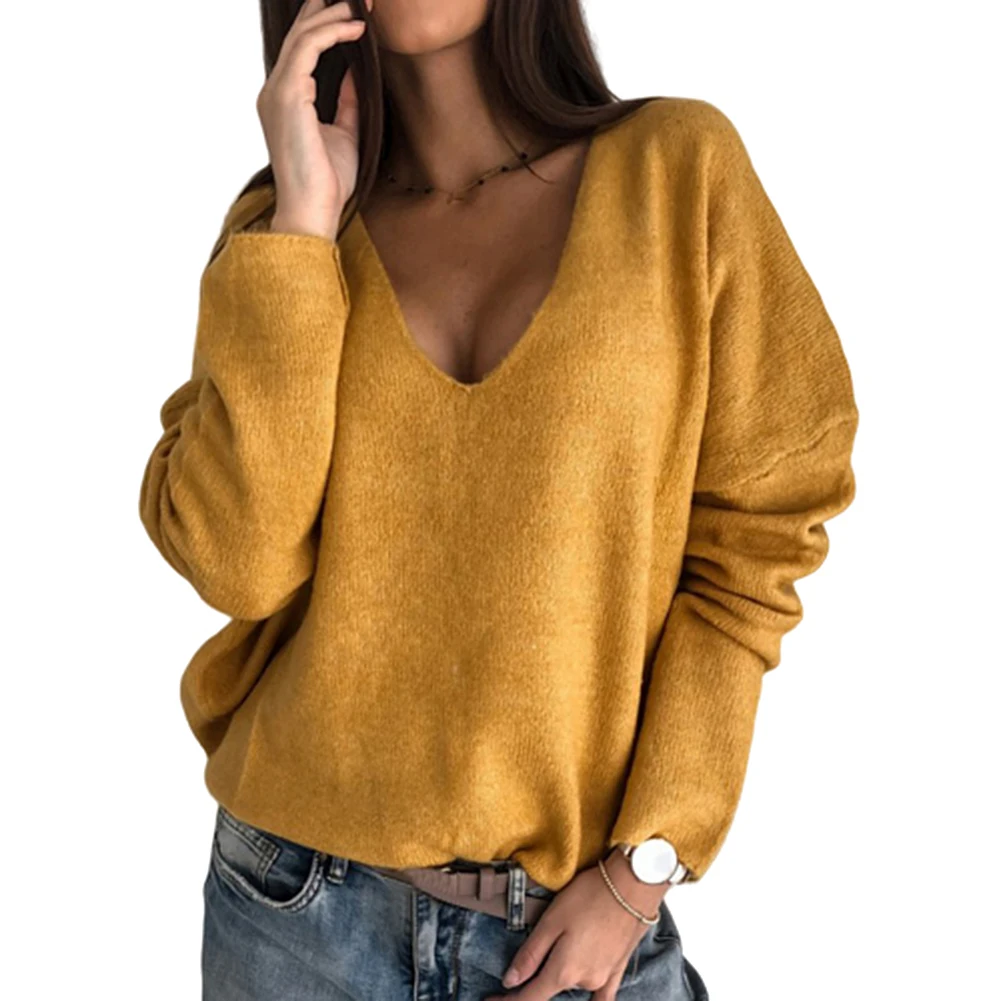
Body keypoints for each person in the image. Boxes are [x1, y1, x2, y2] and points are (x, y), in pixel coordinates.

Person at [138, 1, 860, 998]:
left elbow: (757, 541)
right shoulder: (288, 228)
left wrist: (643, 867)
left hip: (576, 933)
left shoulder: (675, 170)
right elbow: (239, 561)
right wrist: (302, 223)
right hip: (294, 911)